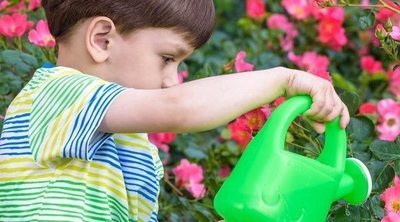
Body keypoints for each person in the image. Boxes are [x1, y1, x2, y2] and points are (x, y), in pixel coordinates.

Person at [0, 0, 350, 221]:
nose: (172, 80)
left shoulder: (126, 138)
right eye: (168, 59)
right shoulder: (59, 93)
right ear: (102, 40)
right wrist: (283, 79)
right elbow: (181, 107)